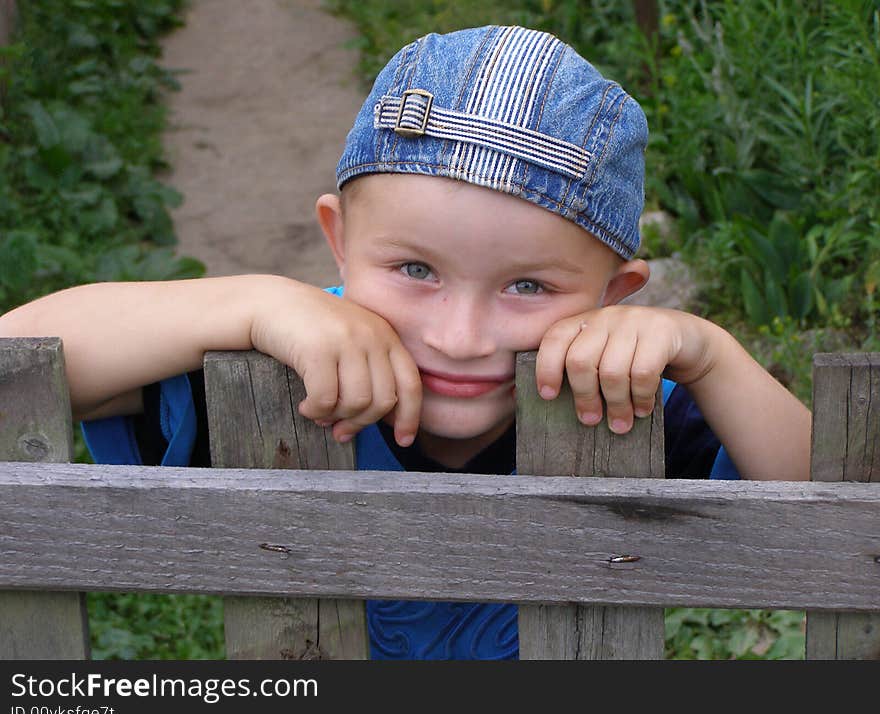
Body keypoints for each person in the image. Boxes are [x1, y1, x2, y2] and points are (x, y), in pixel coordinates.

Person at [0, 25, 810, 659]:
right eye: (415, 268)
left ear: (615, 294)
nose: (459, 337)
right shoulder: (284, 363)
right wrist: (254, 303)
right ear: (339, 242)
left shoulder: (617, 393)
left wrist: (709, 355)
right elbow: (21, 357)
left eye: (528, 286)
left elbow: (842, 500)